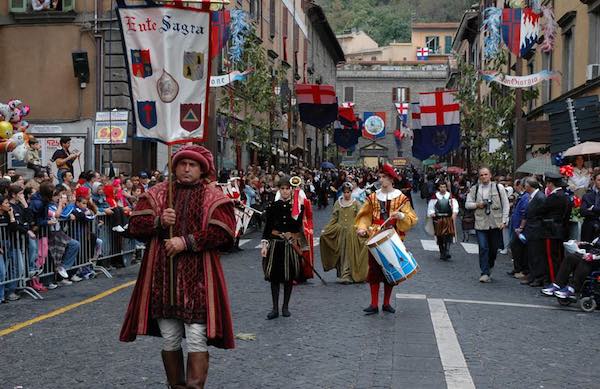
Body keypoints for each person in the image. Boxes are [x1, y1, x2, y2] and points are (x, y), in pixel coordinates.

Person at [120, 145, 236, 389]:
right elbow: (134, 226)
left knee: (195, 337)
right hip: (163, 279)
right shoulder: (159, 193)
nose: (186, 168)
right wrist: (159, 222)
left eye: (192, 165)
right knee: (170, 338)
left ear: (201, 169)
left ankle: (194, 386)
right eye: (182, 164)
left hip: (199, 281)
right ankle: (176, 386)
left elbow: (223, 233)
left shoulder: (213, 197)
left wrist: (186, 241)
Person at [355, 163, 418, 315]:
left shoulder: (402, 198)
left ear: (390, 179)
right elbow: (365, 216)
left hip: (393, 237)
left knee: (391, 270)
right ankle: (373, 304)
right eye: (380, 176)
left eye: (383, 177)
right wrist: (362, 228)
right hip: (375, 235)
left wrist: (401, 215)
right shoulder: (372, 197)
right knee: (374, 270)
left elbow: (412, 218)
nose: (380, 179)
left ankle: (386, 303)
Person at [261, 176, 304, 319]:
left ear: (292, 190)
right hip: (275, 244)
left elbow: (298, 228)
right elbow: (267, 227)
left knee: (288, 277)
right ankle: (274, 308)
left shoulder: (297, 207)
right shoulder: (273, 206)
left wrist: (293, 235)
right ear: (279, 190)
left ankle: (285, 307)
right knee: (274, 278)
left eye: (288, 189)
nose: (285, 191)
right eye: (283, 189)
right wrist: (264, 244)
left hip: (289, 245)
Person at [465, 167, 509, 283]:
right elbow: (467, 204)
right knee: (483, 247)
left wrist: (504, 220)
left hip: (495, 223)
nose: (484, 177)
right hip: (481, 223)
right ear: (479, 177)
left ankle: (490, 265)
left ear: (490, 175)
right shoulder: (475, 189)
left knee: (493, 249)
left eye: (486, 174)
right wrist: (477, 205)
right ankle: (484, 272)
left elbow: (506, 205)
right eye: (481, 175)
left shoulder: (499, 188)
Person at [320, 182, 368, 284]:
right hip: (340, 231)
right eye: (345, 192)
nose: (347, 194)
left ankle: (348, 275)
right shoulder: (338, 203)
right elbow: (334, 218)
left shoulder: (356, 203)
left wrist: (361, 228)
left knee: (349, 253)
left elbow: (361, 218)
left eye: (348, 192)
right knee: (341, 252)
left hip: (352, 232)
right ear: (342, 192)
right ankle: (342, 273)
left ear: (351, 192)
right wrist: (327, 228)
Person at [542, 171, 571, 284]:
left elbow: (542, 211)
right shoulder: (565, 197)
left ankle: (555, 281)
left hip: (551, 230)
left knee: (551, 257)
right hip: (562, 230)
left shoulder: (553, 197)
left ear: (550, 183)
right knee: (559, 256)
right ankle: (561, 280)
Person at [517, 177, 547, 287]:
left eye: (525, 185)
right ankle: (532, 275)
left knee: (536, 255)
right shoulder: (533, 196)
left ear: (529, 186)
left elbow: (542, 214)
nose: (524, 187)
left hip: (537, 229)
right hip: (531, 229)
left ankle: (538, 277)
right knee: (531, 254)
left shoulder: (540, 197)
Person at [427, 180, 459, 261]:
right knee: (440, 236)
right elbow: (431, 207)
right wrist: (432, 213)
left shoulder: (450, 196)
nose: (443, 188)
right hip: (438, 219)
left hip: (448, 218)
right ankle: (442, 252)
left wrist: (454, 213)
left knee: (448, 234)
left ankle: (447, 251)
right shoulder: (435, 197)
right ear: (439, 187)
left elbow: (455, 205)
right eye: (441, 187)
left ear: (446, 187)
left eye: (444, 187)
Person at [508, 179, 529, 279]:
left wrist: (521, 227)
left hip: (519, 228)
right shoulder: (522, 196)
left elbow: (524, 212)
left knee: (517, 248)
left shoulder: (525, 197)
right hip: (516, 226)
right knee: (515, 247)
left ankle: (520, 269)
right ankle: (517, 268)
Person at [580, 172, 600, 243]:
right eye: (599, 180)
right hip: (589, 227)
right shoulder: (587, 196)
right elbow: (583, 212)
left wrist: (593, 208)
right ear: (594, 181)